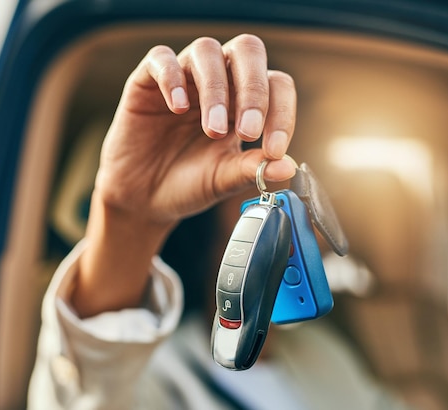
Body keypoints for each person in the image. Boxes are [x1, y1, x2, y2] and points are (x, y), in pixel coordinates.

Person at [28, 34, 410, 409]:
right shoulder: (157, 373)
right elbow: (85, 395)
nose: (297, 206)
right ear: (213, 206)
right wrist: (127, 220)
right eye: (266, 183)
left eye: (308, 185)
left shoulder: (323, 353)